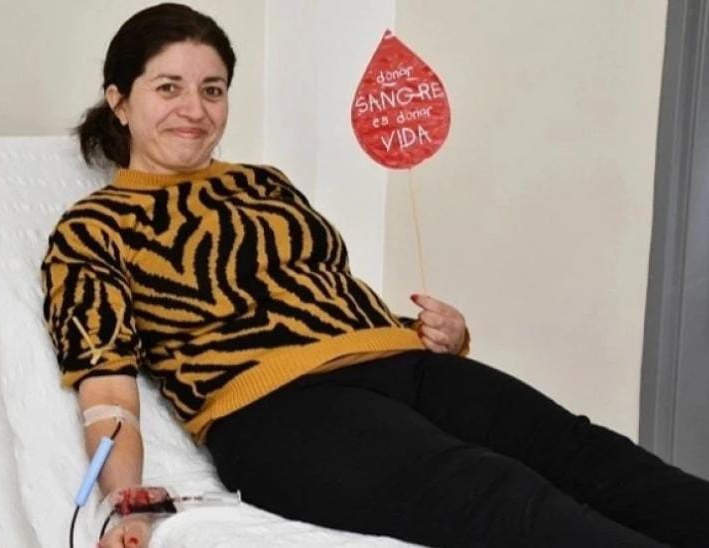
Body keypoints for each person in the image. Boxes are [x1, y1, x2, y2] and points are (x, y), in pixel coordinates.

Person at [40, 3, 709, 547]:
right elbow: (107, 385)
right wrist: (125, 503)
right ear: (119, 101)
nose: (195, 108)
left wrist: (434, 332)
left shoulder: (266, 184)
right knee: (497, 495)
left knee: (587, 453)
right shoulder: (94, 226)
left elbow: (321, 293)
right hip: (274, 411)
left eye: (212, 89)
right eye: (168, 87)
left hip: (400, 364)